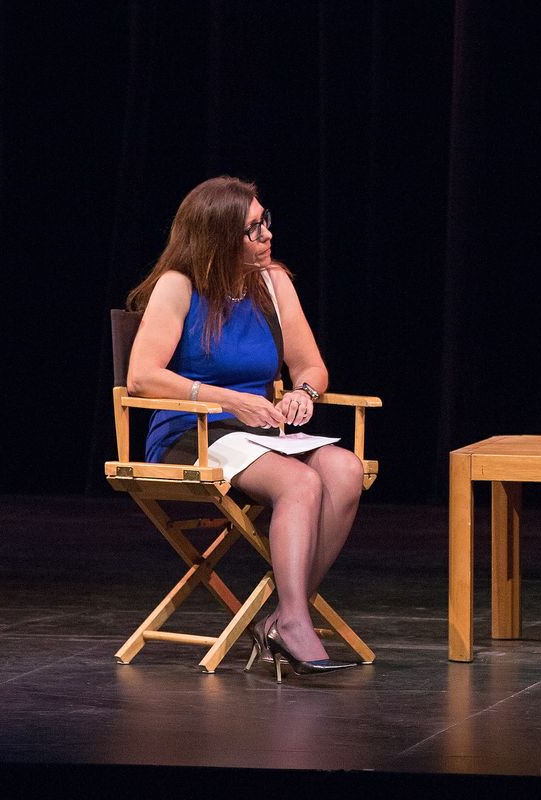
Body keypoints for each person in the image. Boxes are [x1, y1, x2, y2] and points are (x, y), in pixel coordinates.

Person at [126, 176, 364, 679]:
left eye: (265, 223)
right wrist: (228, 398)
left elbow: (311, 365)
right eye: (252, 229)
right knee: (300, 483)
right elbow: (142, 376)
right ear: (217, 236)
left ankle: (282, 616)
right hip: (190, 432)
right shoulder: (179, 284)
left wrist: (305, 394)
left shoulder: (273, 282)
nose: (266, 236)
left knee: (344, 469)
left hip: (259, 431)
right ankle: (295, 620)